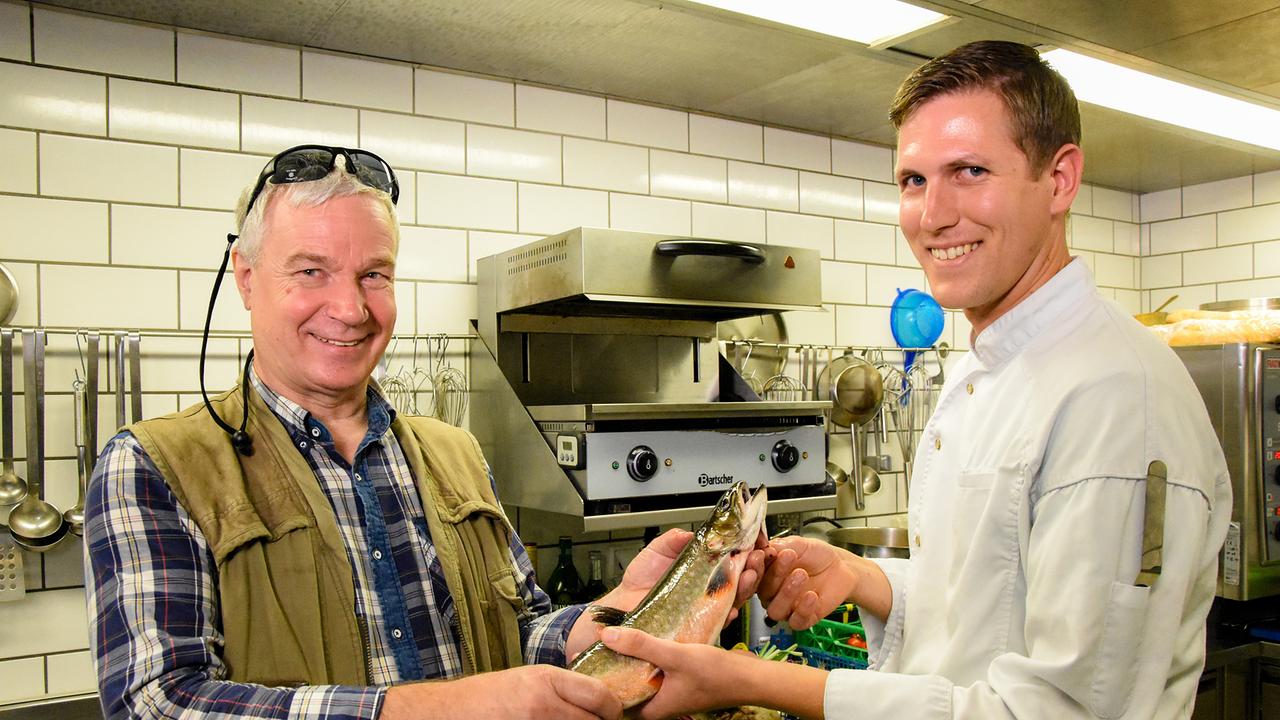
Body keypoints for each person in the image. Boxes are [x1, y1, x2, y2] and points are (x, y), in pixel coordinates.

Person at [601, 40, 1231, 719]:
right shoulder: (985, 371)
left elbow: (1067, 711)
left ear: (1060, 179)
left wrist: (750, 680)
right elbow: (983, 610)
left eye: (969, 171)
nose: (934, 216)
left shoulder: (1113, 398)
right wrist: (862, 577)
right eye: (914, 180)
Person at [84, 144, 759, 720]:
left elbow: (517, 633)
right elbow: (159, 702)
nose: (349, 309)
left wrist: (613, 611)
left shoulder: (454, 453)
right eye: (311, 271)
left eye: (373, 275)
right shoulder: (154, 466)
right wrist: (443, 709)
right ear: (246, 276)